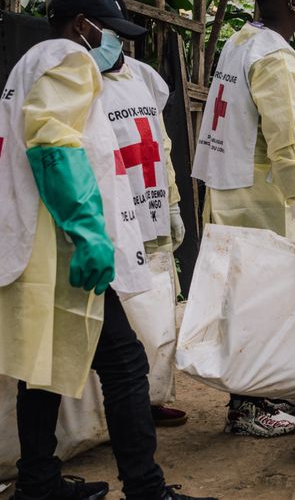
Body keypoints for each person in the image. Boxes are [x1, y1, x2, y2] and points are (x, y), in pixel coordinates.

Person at [0, 0, 211, 500]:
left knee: (41, 368)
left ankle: (39, 483)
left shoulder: (33, 61)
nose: (115, 43)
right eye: (110, 31)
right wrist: (89, 234)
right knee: (125, 365)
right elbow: (54, 146)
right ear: (81, 25)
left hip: (36, 244)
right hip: (62, 247)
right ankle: (145, 488)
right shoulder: (70, 59)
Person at [192, 0, 295, 437]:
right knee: (258, 297)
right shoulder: (277, 58)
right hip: (261, 192)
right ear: (289, 3)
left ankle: (269, 388)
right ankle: (247, 406)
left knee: (242, 293)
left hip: (227, 185)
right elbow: (285, 142)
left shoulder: (241, 41)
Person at [98, 46, 189, 427]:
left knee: (157, 307)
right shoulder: (80, 78)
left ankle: (152, 398)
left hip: (151, 202)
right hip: (112, 207)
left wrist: (172, 203)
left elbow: (160, 143)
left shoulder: (143, 76)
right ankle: (116, 407)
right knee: (123, 307)